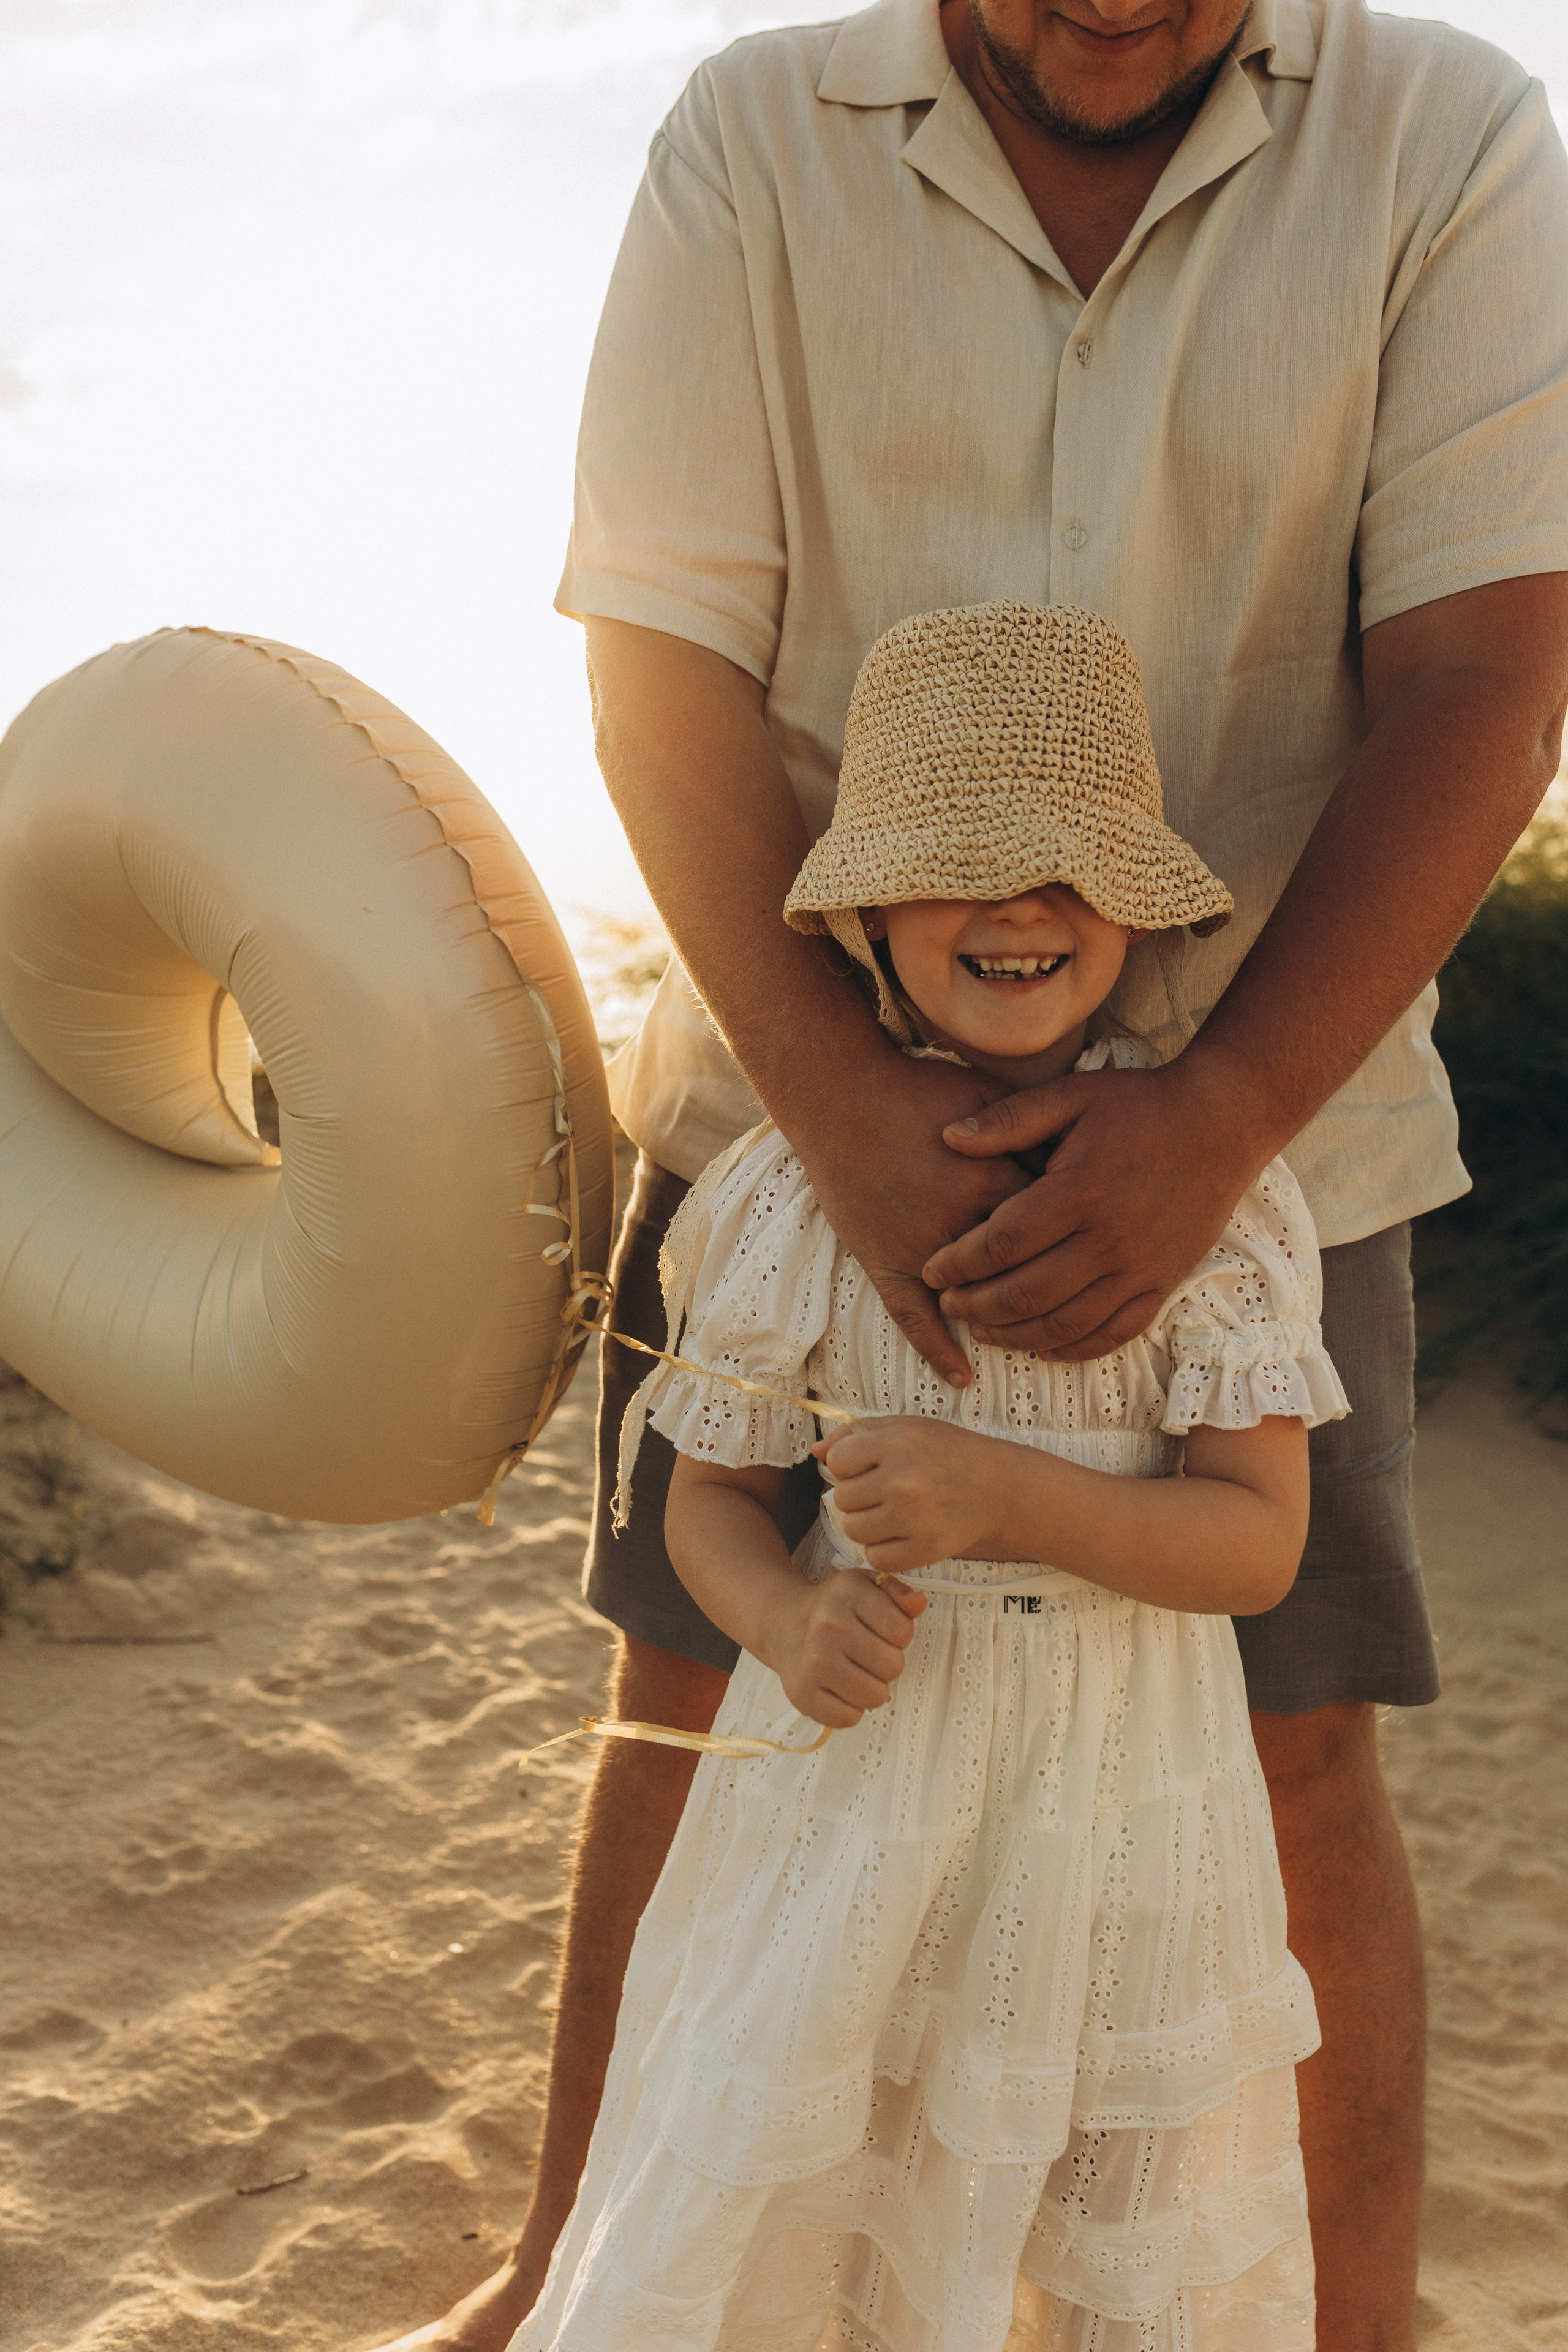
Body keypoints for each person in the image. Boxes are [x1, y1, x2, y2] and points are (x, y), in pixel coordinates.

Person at [374, 4, 1568, 2348]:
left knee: (1291, 1729)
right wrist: (841, 1104)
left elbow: (1487, 664)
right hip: (787, 1105)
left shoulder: (1449, 140)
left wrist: (1213, 1118)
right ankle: (569, 2280)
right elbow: (662, 657)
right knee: (696, 1680)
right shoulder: (748, 141)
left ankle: (1344, 2329)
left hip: (1285, 1127)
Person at [509, 600, 1344, 2351]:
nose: (1022, 903)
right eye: (958, 862)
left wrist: (1012, 1497)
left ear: (1133, 901)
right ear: (868, 912)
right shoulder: (784, 1202)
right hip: (851, 1809)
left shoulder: (1217, 1201)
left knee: (1096, 2209)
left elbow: (1259, 1541)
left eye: (1070, 863)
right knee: (817, 2187)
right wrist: (786, 1614)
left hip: (1121, 1816)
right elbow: (712, 1501)